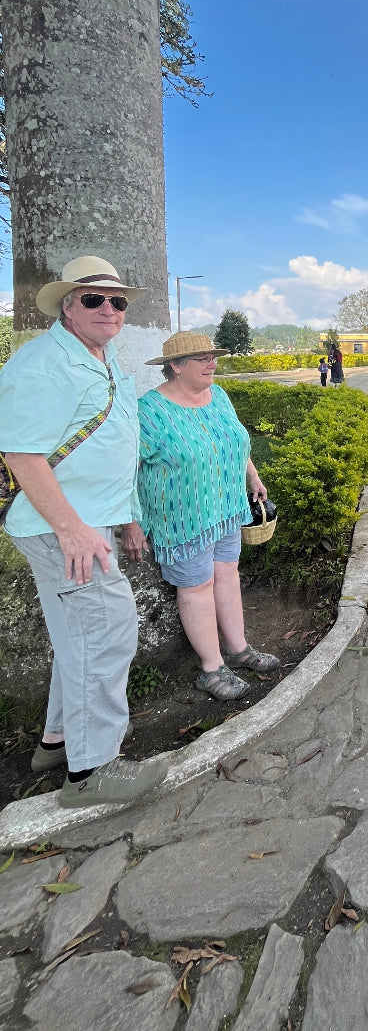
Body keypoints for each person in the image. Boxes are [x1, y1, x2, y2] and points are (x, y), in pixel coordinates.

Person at [0, 256, 166, 808]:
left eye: (117, 301)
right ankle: (90, 772)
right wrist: (72, 530)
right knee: (107, 632)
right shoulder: (45, 363)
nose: (108, 309)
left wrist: (127, 518)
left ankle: (58, 739)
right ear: (67, 305)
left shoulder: (103, 357)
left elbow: (111, 447)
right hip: (64, 528)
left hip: (87, 521)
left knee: (80, 637)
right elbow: (20, 452)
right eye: (93, 299)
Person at [121, 332, 279, 700]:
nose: (212, 363)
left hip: (225, 508)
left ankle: (239, 651)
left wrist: (252, 477)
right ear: (175, 366)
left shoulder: (218, 396)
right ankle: (211, 669)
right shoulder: (150, 410)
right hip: (182, 518)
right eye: (202, 358)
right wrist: (131, 522)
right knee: (196, 588)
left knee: (227, 574)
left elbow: (235, 442)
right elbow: (126, 469)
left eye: (212, 356)